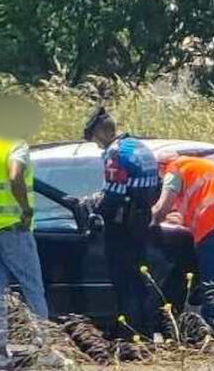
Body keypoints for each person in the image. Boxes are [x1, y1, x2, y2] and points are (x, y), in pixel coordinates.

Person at [0, 95, 48, 368]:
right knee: (33, 287)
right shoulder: (16, 145)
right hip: (12, 228)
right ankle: (45, 348)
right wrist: (26, 210)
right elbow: (16, 176)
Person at [149, 151, 214, 331]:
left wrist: (150, 223)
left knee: (212, 285)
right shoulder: (203, 165)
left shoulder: (174, 170)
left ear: (160, 167)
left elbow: (162, 206)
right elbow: (198, 201)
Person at [82, 106, 161, 336]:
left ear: (102, 133)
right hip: (141, 221)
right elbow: (155, 184)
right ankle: (146, 330)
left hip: (122, 225)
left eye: (96, 140)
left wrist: (94, 208)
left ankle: (129, 333)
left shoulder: (114, 153)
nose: (97, 145)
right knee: (140, 278)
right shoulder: (140, 147)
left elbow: (114, 195)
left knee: (123, 279)